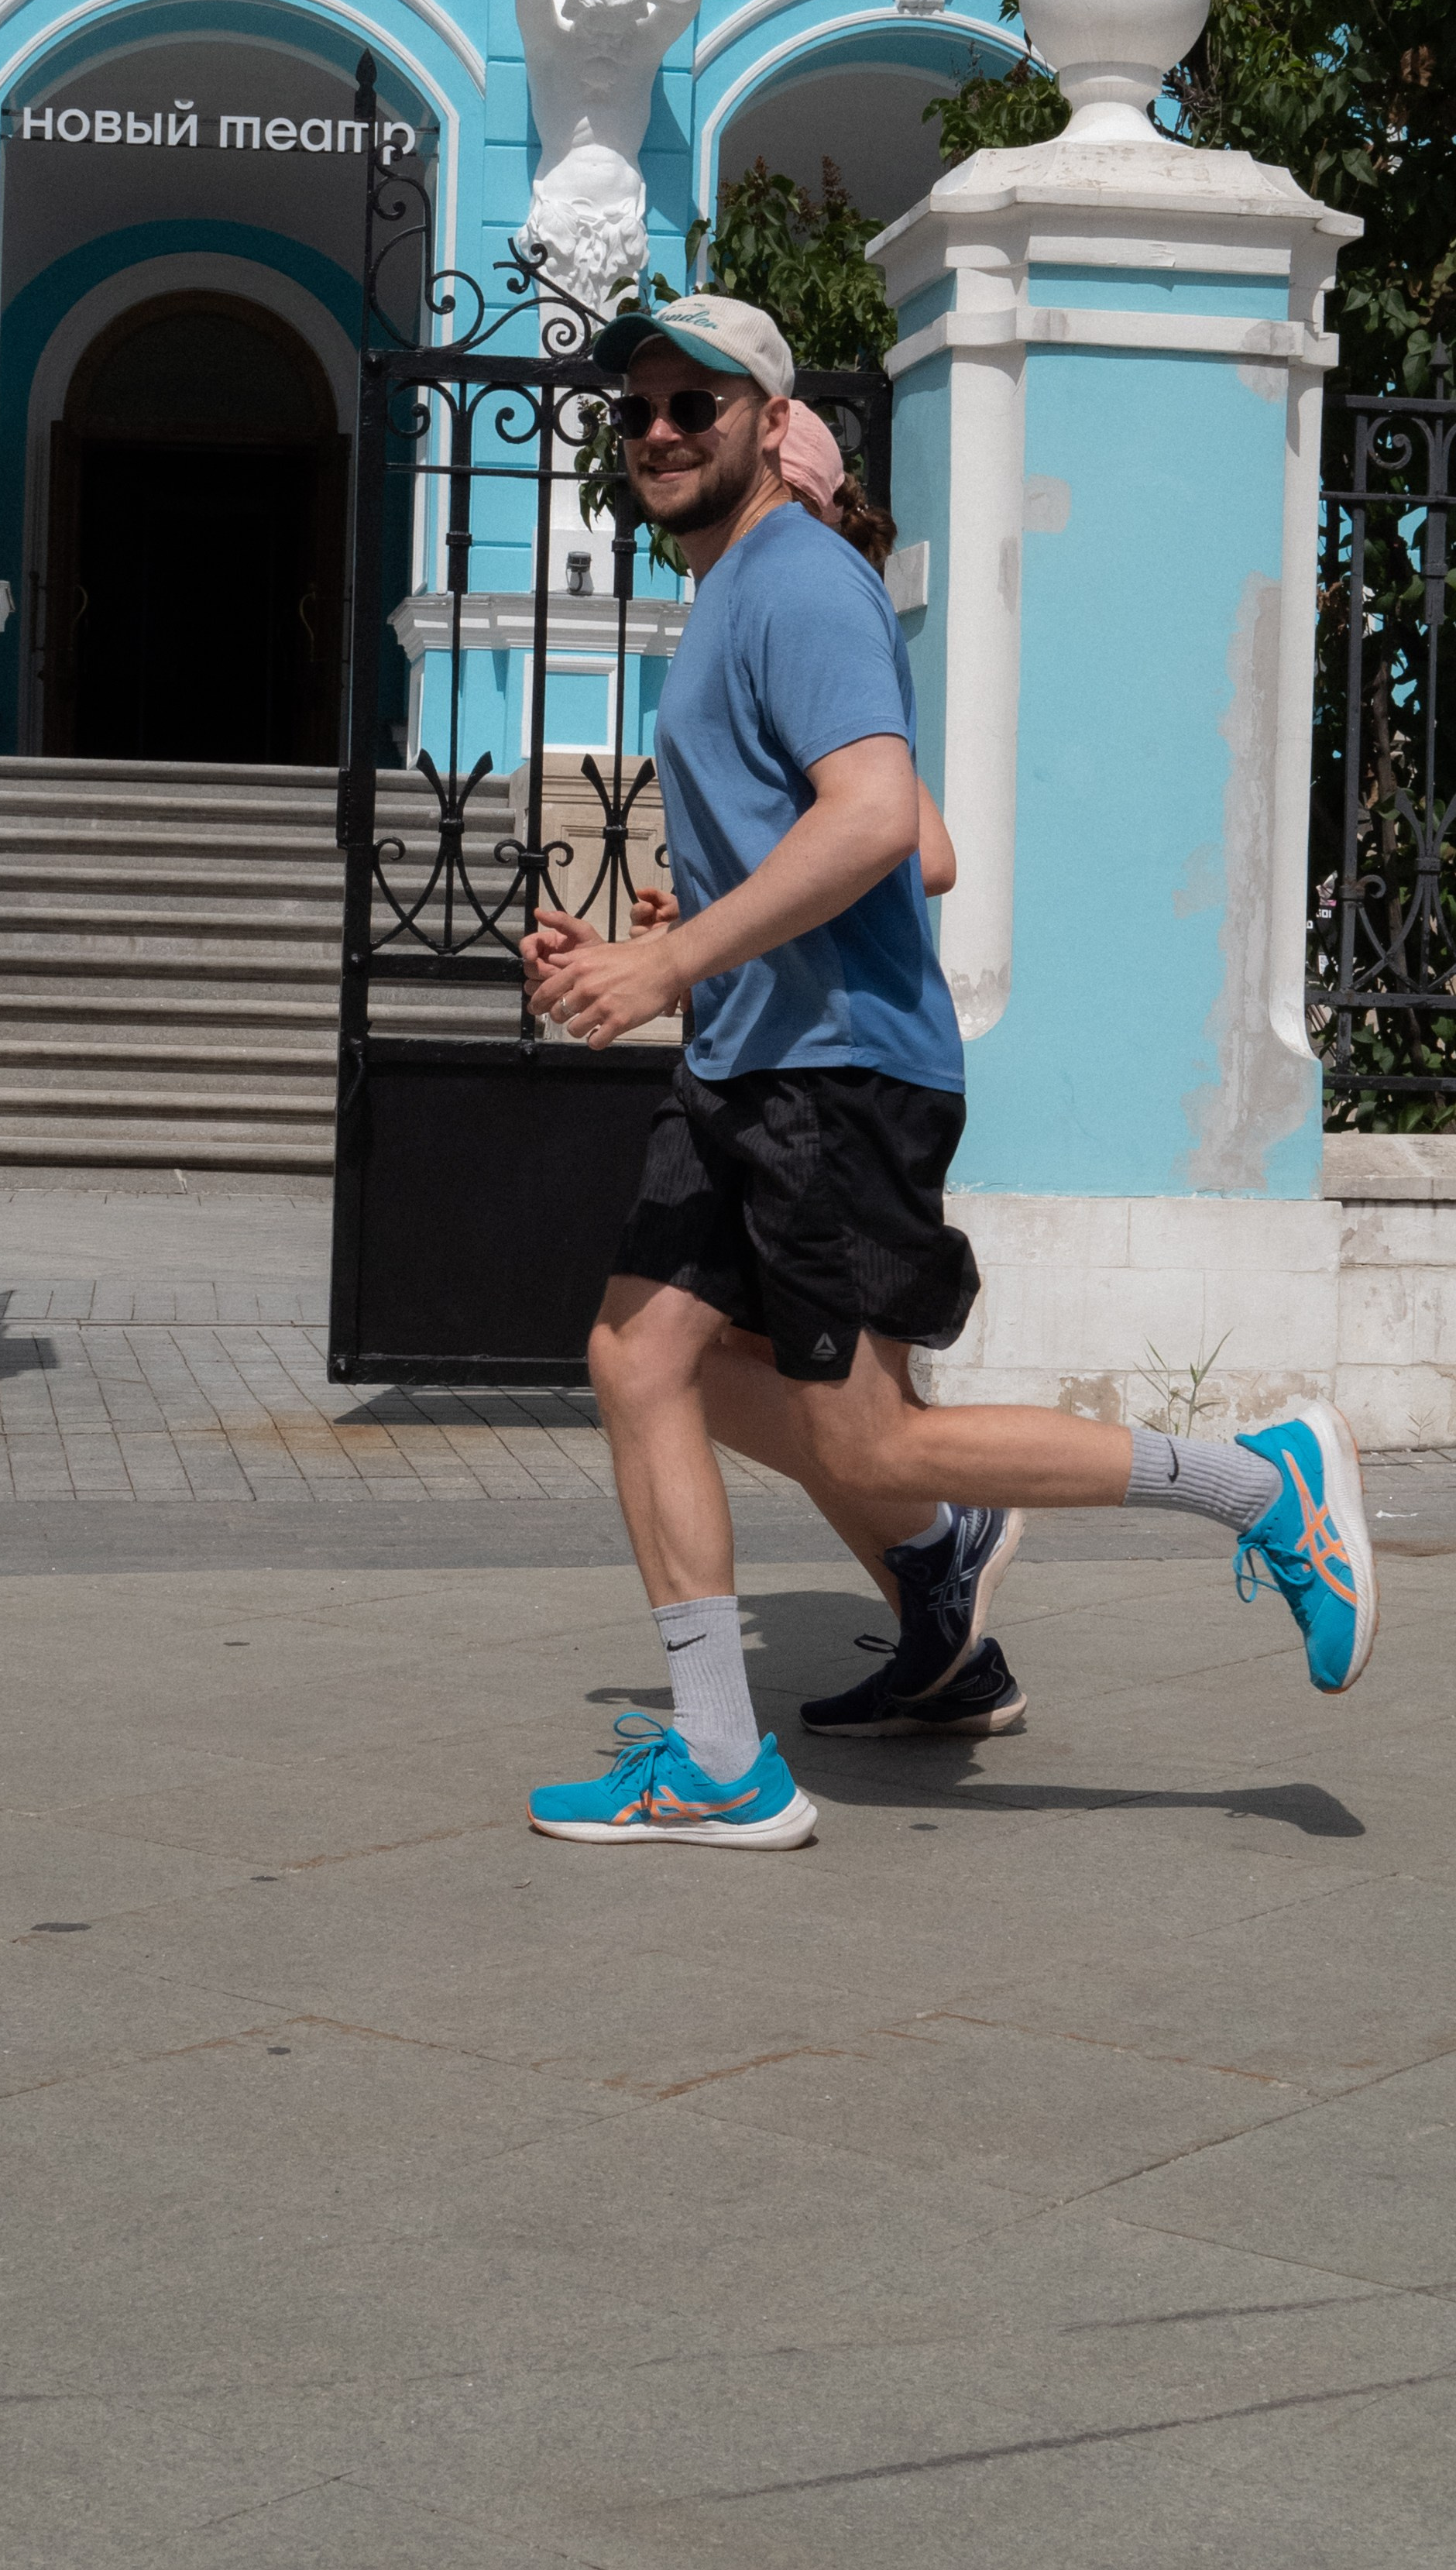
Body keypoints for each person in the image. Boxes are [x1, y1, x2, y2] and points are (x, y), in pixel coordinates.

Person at [518, 292, 1377, 1852]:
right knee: (640, 1361)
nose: (653, 431)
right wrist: (685, 923)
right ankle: (723, 1753)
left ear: (764, 424)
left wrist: (672, 960)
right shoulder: (736, 596)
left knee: (871, 1444)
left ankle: (1257, 1482)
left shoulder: (798, 585)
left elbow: (882, 825)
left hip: (832, 1077)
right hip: (759, 1062)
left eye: (689, 406)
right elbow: (886, 837)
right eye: (634, 409)